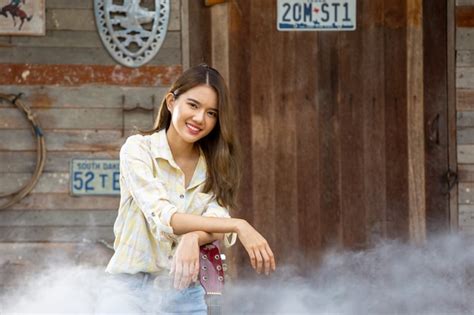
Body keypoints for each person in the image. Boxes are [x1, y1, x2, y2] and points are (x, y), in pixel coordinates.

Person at [105, 64, 276, 314]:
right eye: (193, 105)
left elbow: (215, 219)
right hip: (129, 291)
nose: (200, 119)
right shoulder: (138, 150)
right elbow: (164, 217)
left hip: (184, 293)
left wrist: (193, 237)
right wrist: (239, 225)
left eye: (211, 113)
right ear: (171, 102)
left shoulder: (215, 165)